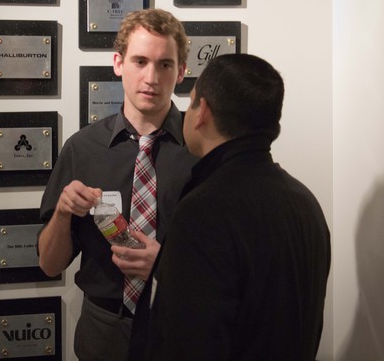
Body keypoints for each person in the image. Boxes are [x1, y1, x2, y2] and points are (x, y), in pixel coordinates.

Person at [138, 54, 331, 360]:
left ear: (203, 113)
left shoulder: (203, 211)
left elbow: (185, 343)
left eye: (191, 102)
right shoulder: (305, 203)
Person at [38, 9, 197, 360]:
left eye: (165, 64)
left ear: (182, 72)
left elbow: (228, 256)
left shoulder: (203, 150)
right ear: (118, 63)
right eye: (140, 61)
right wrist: (63, 212)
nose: (151, 77)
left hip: (182, 322)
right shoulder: (82, 149)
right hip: (104, 327)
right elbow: (49, 265)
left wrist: (166, 264)